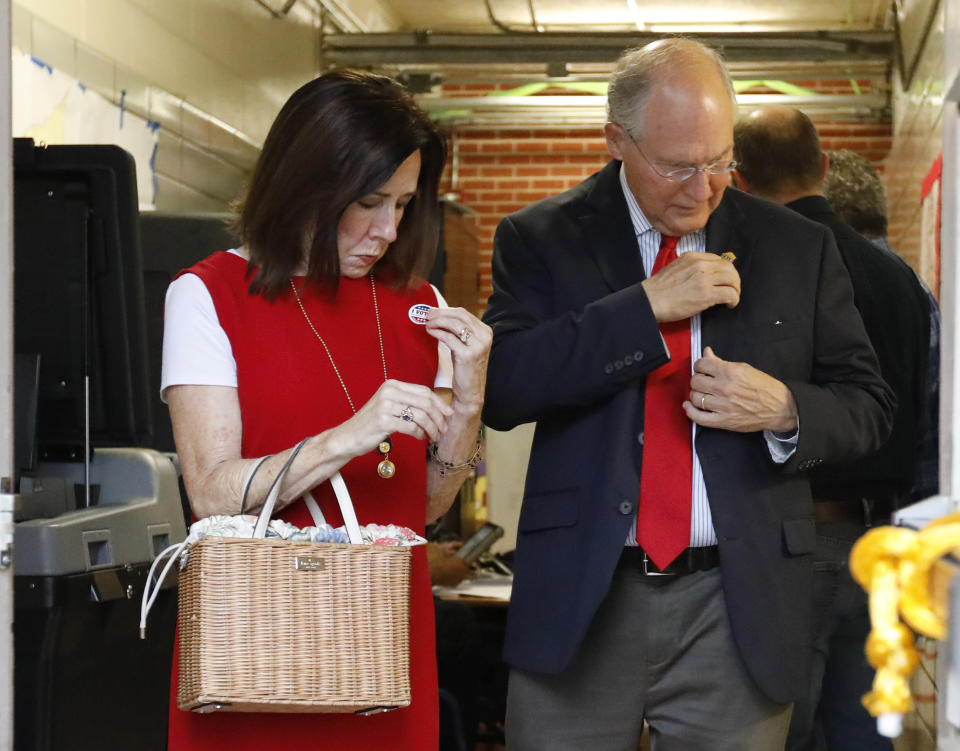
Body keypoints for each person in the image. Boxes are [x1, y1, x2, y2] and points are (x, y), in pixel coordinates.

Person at [481, 39, 895, 751]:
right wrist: (642, 309)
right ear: (617, 140)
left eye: (720, 160)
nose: (703, 188)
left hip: (737, 607)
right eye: (679, 166)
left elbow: (869, 405)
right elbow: (505, 386)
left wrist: (787, 410)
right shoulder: (540, 238)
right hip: (586, 595)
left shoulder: (796, 247)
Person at [160, 69, 492, 751]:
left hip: (384, 661)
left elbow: (419, 508)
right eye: (369, 201)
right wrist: (351, 434)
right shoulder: (208, 294)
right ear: (307, 184)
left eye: (402, 203)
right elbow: (212, 494)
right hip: (254, 656)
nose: (387, 228)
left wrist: (468, 402)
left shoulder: (416, 303)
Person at [732, 105, 931, 751]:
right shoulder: (899, 279)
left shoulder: (750, 271)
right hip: (883, 545)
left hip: (787, 540)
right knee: (863, 735)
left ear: (735, 179)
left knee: (776, 733)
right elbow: (929, 422)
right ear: (822, 166)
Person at [823, 148, 941, 503]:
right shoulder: (917, 290)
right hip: (902, 516)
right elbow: (934, 423)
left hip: (818, 519)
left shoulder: (815, 279)